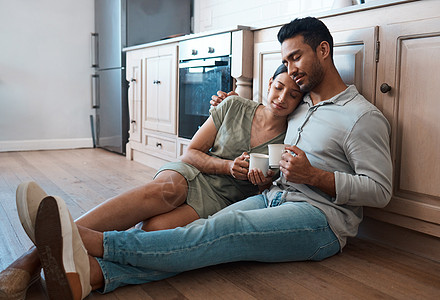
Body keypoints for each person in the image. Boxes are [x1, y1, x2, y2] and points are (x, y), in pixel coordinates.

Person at [6, 16, 393, 300]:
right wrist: (230, 108)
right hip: (274, 197)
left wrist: (315, 177)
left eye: (295, 58)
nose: (291, 72)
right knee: (201, 240)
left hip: (320, 220)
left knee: (222, 232)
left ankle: (87, 239)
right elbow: (267, 112)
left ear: (322, 50)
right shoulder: (303, 104)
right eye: (286, 63)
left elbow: (380, 191)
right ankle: (89, 276)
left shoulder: (361, 116)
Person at [0, 65, 302, 300]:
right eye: (278, 87)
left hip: (222, 198)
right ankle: (32, 258)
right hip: (194, 172)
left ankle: (74, 255)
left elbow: (267, 193)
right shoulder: (233, 107)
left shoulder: (291, 137)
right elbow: (192, 152)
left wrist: (257, 180)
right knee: (168, 191)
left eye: (293, 94)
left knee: (156, 230)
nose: (282, 98)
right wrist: (227, 165)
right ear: (268, 84)